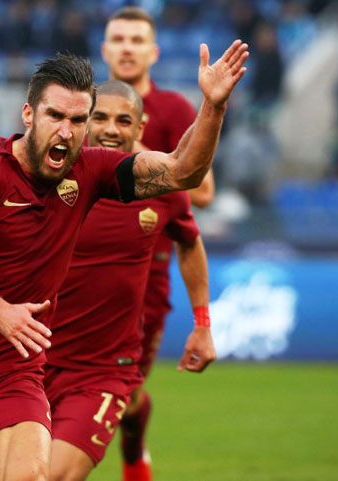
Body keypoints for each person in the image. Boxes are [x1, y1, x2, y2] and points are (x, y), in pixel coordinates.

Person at [0, 40, 248, 481]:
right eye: (56, 116)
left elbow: (184, 172)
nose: (67, 131)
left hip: (13, 370)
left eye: (78, 120)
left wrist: (213, 106)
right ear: (29, 115)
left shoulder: (91, 171)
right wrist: (1, 312)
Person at [45, 80, 215, 481]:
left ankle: (133, 442)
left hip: (103, 369)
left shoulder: (161, 188)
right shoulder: (48, 178)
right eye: (100, 118)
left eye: (124, 120)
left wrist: (203, 324)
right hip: (34, 363)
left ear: (140, 129)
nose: (110, 129)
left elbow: (190, 242)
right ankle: (135, 422)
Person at [100, 8, 214, 479]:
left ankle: (133, 449)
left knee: (124, 400)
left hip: (146, 274)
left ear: (153, 51)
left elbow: (203, 191)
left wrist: (142, 171)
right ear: (104, 49)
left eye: (136, 39)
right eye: (118, 39)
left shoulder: (175, 110)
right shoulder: (82, 107)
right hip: (76, 271)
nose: (127, 47)